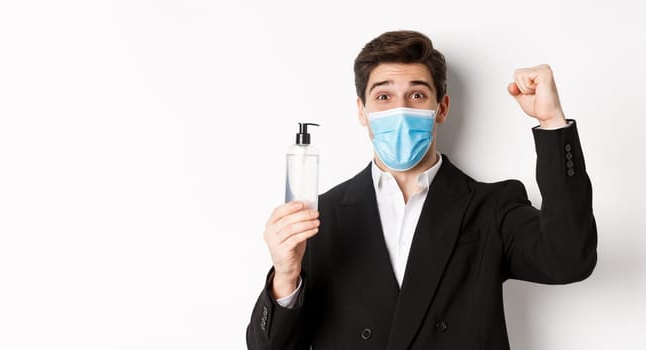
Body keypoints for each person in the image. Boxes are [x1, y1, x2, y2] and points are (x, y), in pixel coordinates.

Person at [246, 30, 597, 350]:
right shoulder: (319, 216)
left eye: (416, 94)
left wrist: (552, 123)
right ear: (363, 112)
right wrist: (286, 275)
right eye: (383, 96)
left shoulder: (490, 207)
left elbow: (568, 260)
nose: (400, 110)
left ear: (440, 108)